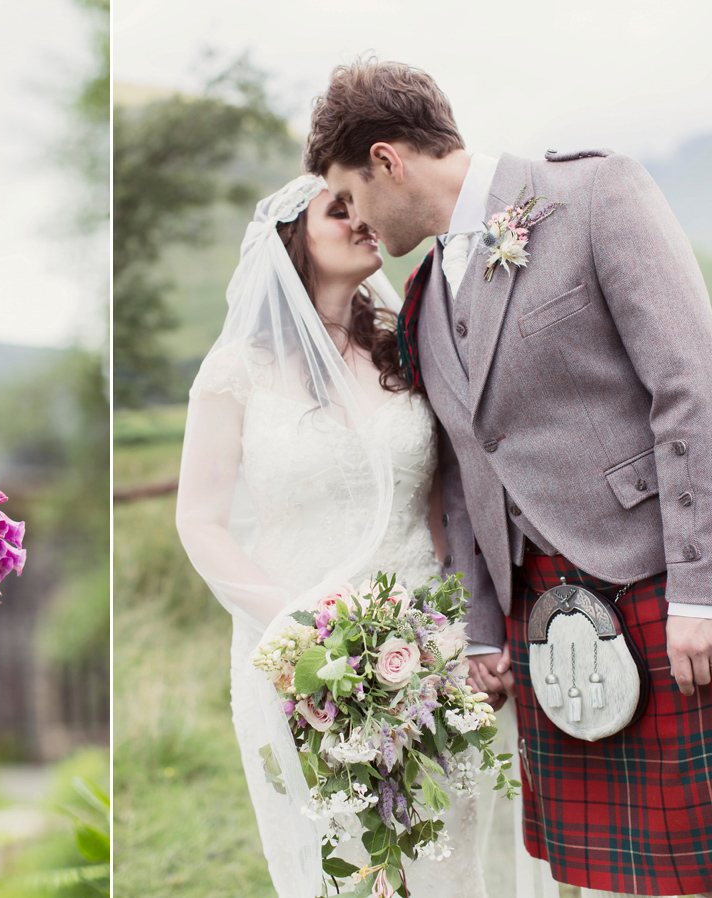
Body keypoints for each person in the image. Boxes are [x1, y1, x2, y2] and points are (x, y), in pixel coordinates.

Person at [304, 58, 712, 898]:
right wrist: (485, 630)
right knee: (596, 877)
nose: (358, 220)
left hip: (657, 588)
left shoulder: (597, 195)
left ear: (389, 160)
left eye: (352, 194)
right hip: (542, 619)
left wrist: (699, 593)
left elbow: (691, 393)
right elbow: (463, 468)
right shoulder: (419, 297)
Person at [175, 173, 508, 898]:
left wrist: (468, 628)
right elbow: (199, 521)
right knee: (343, 860)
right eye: (339, 210)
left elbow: (441, 500)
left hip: (424, 644)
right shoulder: (237, 372)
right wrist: (298, 627)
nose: (362, 220)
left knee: (447, 850)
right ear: (295, 238)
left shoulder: (403, 345)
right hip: (299, 652)